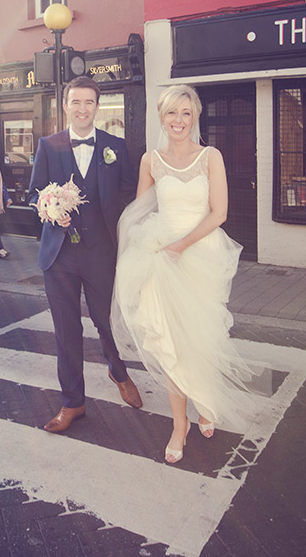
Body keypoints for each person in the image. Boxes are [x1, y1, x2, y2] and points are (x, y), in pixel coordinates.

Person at [111, 85, 258, 464]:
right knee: (171, 344)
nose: (178, 121)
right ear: (161, 117)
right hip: (160, 257)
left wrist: (181, 245)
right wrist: (139, 250)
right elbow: (141, 210)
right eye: (172, 113)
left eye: (186, 113)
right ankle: (180, 424)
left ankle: (205, 399)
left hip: (199, 254)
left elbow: (219, 212)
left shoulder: (211, 156)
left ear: (195, 118)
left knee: (200, 335)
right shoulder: (150, 160)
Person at [28, 75, 142, 434]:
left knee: (106, 321)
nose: (82, 109)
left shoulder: (116, 147)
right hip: (58, 256)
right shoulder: (49, 146)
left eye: (89, 103)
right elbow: (33, 194)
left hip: (100, 253)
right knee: (66, 331)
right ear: (66, 106)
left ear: (97, 106)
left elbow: (129, 192)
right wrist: (48, 208)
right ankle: (72, 403)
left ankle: (118, 371)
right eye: (75, 102)